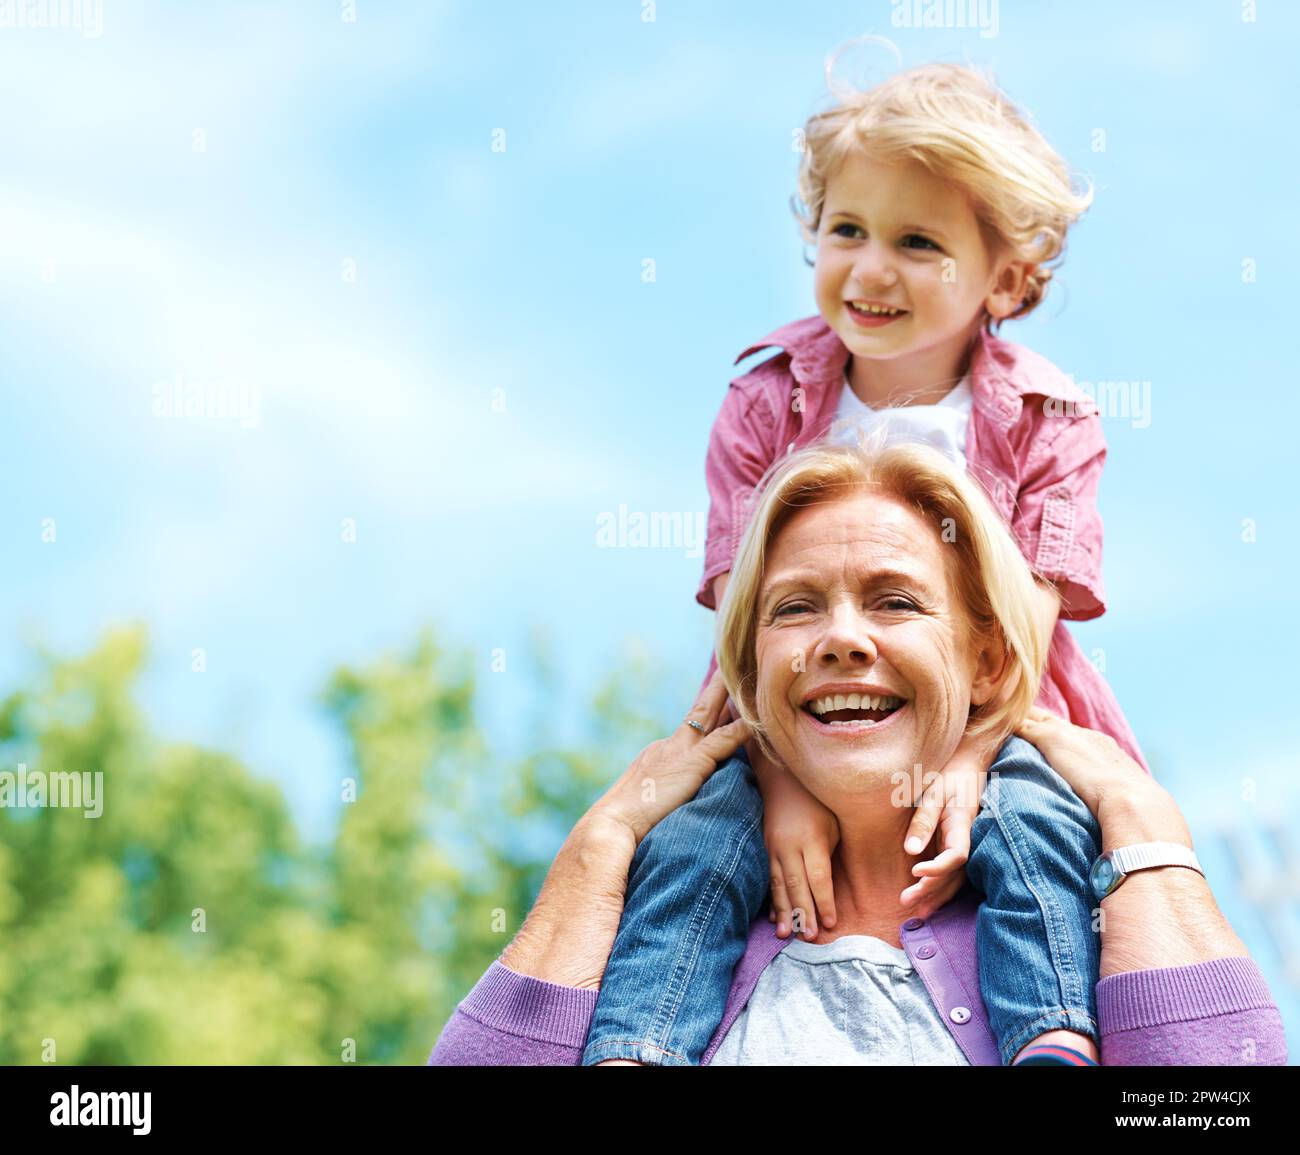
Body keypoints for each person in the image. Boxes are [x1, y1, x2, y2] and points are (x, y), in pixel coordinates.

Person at [585, 53, 1143, 1065]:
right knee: (693, 844)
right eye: (847, 230)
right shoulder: (766, 399)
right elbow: (748, 617)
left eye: (917, 241)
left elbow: (1030, 624)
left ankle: (1050, 1038)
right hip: (785, 713)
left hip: (1001, 710)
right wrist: (781, 784)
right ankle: (639, 1046)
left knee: (1033, 828)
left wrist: (971, 758)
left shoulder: (1047, 419)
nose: (870, 268)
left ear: (1004, 280)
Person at [429, 441, 1286, 1065]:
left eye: (895, 601)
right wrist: (602, 841)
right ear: (750, 669)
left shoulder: (1063, 923)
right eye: (795, 607)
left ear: (987, 661)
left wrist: (1141, 820)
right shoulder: (670, 939)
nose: (841, 638)